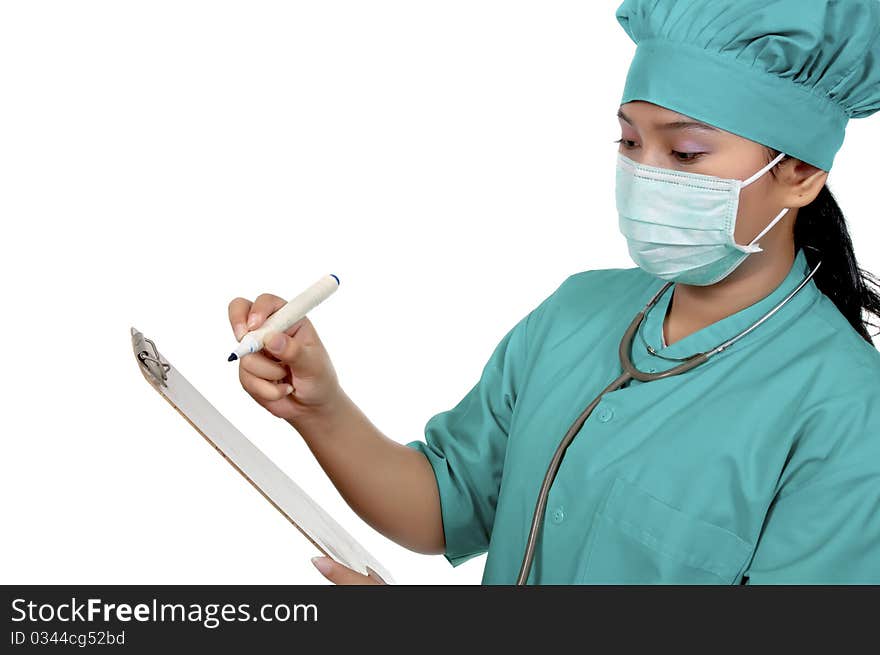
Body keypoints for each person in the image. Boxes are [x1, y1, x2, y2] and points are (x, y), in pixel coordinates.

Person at [227, 0, 880, 584]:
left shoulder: (849, 414)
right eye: (628, 140)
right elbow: (448, 504)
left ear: (798, 175)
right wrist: (317, 406)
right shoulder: (580, 311)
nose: (642, 173)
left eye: (685, 154)